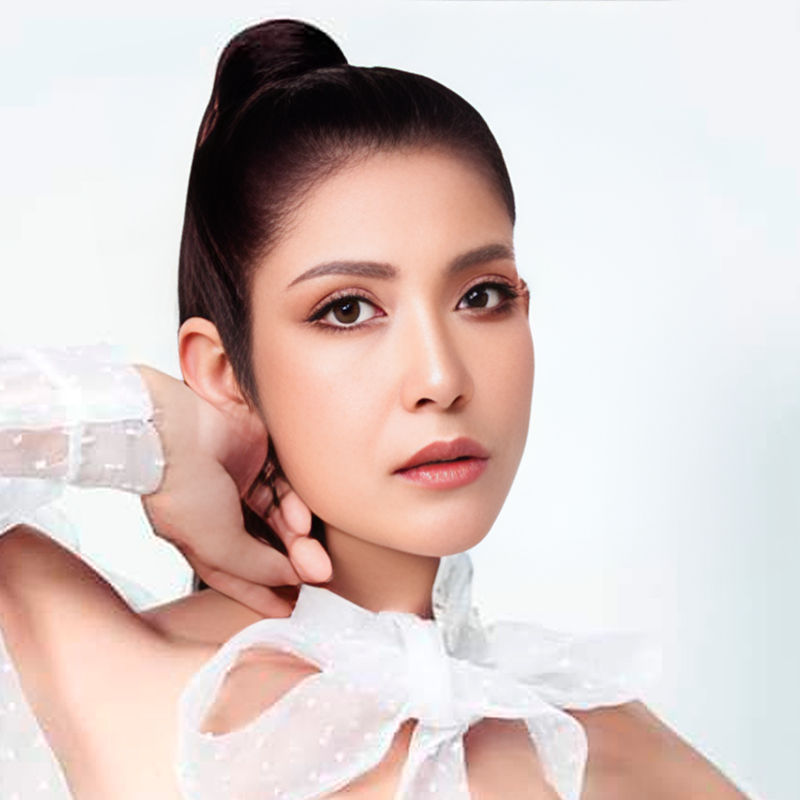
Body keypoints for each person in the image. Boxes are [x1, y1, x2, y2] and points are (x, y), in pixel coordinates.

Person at [0, 18, 750, 800]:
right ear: (223, 372)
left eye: (481, 296)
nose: (440, 377)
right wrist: (144, 425)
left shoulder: (608, 745)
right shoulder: (114, 668)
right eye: (348, 310)